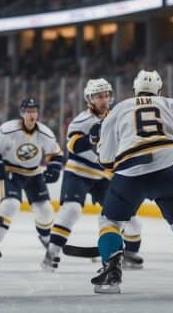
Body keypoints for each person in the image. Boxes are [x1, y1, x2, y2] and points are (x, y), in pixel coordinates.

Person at [90, 70, 173, 294]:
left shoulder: (119, 108)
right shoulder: (171, 103)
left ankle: (111, 271)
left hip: (130, 171)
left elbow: (106, 160)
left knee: (110, 221)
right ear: (159, 90)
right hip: (167, 168)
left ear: (134, 90)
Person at [42, 79, 143, 271]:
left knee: (129, 217)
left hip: (103, 176)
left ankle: (129, 253)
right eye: (99, 96)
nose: (104, 100)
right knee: (71, 210)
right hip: (78, 172)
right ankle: (52, 252)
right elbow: (72, 147)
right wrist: (91, 138)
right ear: (90, 99)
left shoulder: (117, 118)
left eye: (106, 95)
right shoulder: (82, 120)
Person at [0, 97, 63, 263]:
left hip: (34, 174)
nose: (31, 115)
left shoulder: (45, 133)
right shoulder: (8, 130)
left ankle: (46, 239)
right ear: (22, 113)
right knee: (11, 205)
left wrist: (54, 167)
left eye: (34, 111)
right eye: (28, 111)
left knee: (46, 210)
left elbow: (56, 154)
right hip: (12, 172)